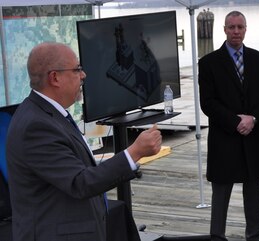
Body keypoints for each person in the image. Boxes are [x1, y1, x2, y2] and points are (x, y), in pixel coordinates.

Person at [6, 42, 162, 241]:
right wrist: (135, 152)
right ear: (55, 77)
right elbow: (80, 182)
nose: (83, 75)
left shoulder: (48, 115)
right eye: (77, 69)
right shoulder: (36, 126)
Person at [198, 11, 259, 241]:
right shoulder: (209, 62)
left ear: (245, 29)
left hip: (254, 135)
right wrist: (235, 122)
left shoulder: (258, 59)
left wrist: (253, 119)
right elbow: (208, 103)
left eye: (240, 27)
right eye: (231, 27)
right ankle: (217, 235)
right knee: (221, 190)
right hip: (225, 136)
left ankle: (254, 234)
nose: (236, 31)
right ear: (224, 29)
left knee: (253, 188)